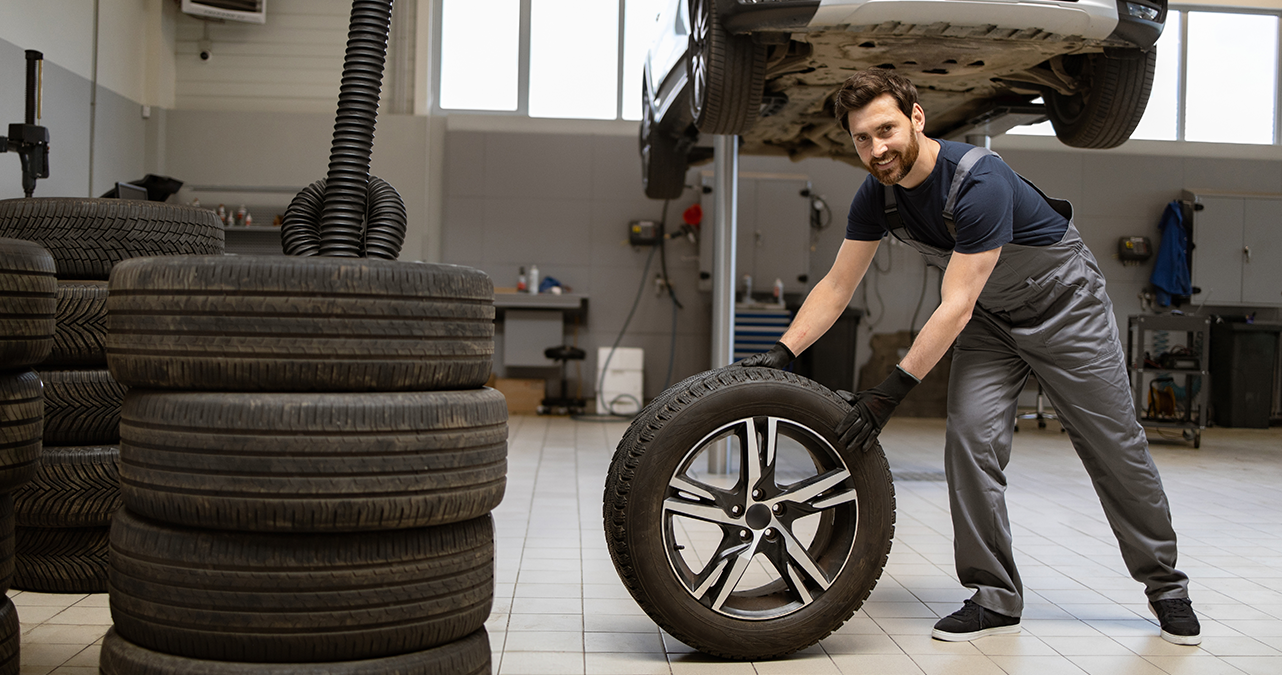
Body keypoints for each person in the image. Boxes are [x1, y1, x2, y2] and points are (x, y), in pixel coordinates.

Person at [738, 68, 1200, 646]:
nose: (877, 149)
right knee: (970, 444)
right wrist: (782, 352)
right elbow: (837, 286)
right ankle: (995, 596)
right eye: (862, 138)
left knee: (1114, 447)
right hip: (991, 322)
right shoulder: (877, 198)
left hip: (1065, 308)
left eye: (886, 130)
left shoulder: (978, 182)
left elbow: (954, 304)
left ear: (916, 118)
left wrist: (890, 392)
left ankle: (1166, 587)